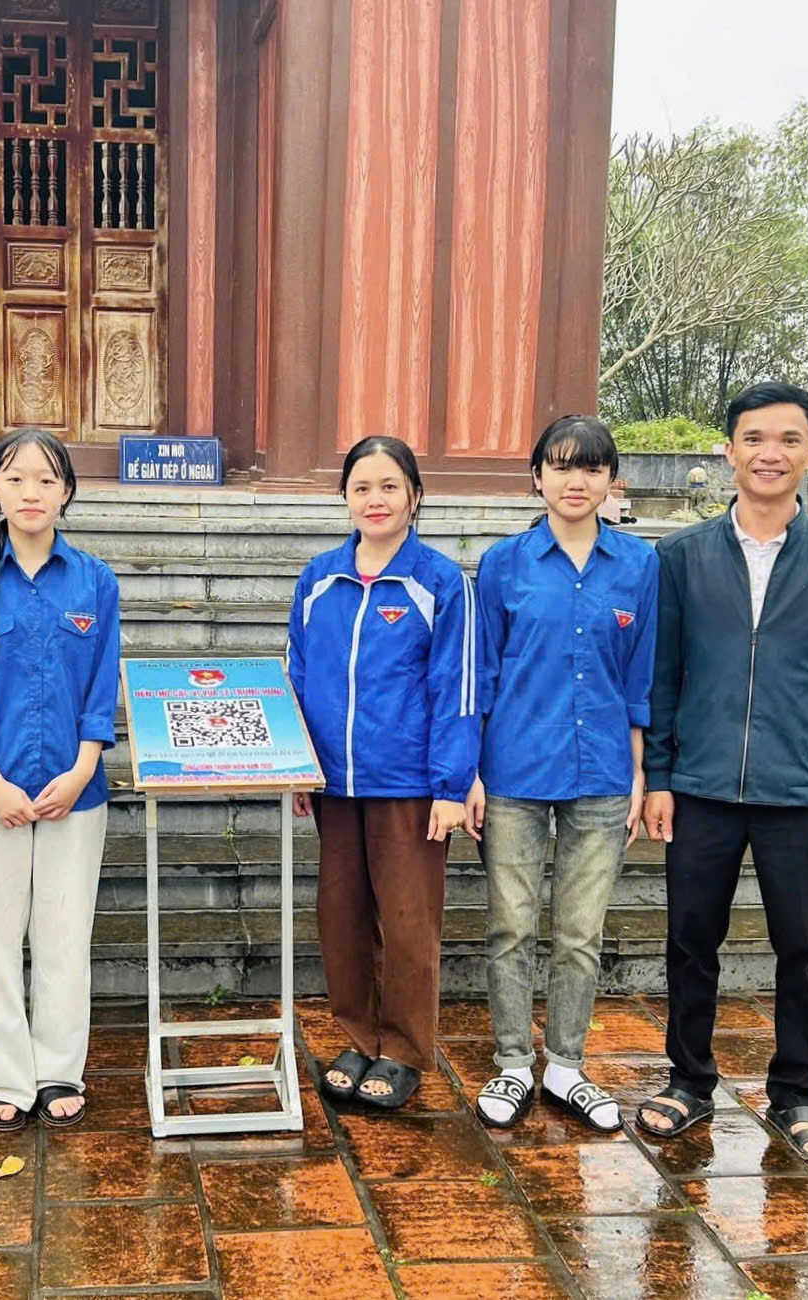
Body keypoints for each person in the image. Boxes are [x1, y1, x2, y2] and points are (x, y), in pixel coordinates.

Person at [636, 382, 808, 1165]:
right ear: (729, 452)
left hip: (801, 793)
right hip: (700, 789)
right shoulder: (680, 558)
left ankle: (796, 1094)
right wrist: (660, 777)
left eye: (787, 439)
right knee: (690, 942)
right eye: (753, 438)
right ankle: (688, 1081)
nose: (769, 454)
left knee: (802, 950)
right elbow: (663, 678)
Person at [466, 415, 657, 1133]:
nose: (576, 481)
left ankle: (567, 1065)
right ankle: (514, 1061)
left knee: (580, 932)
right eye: (561, 465)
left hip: (602, 772)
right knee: (511, 926)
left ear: (611, 480)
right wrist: (471, 773)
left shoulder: (639, 565)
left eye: (591, 468)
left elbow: (640, 677)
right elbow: (482, 674)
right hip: (513, 769)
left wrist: (638, 772)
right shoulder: (504, 564)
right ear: (537, 477)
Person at [286, 435, 480, 1111]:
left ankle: (403, 1048)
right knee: (341, 918)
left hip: (410, 785)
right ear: (344, 497)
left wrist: (451, 785)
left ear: (415, 497)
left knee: (406, 923)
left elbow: (457, 687)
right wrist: (297, 763)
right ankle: (358, 1036)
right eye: (362, 487)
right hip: (335, 784)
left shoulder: (440, 582)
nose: (375, 499)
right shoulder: (319, 579)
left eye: (389, 486)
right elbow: (298, 673)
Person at [0, 428, 120, 1132]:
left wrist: (81, 769)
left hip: (76, 790)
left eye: (46, 479)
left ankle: (59, 1070)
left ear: (67, 491)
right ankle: (8, 1076)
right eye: (15, 479)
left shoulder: (95, 581)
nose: (31, 493)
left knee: (64, 935)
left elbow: (101, 686)